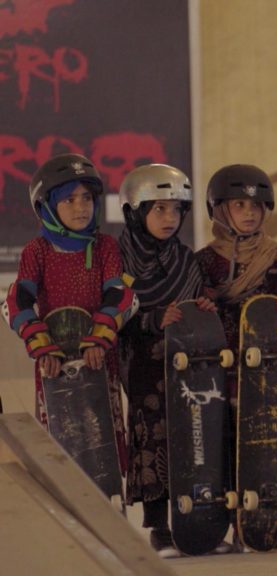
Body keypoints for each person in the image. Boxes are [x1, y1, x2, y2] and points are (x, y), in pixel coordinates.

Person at [195, 164, 277, 550]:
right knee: (226, 438)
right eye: (238, 204)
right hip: (222, 368)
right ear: (219, 211)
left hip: (269, 368)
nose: (249, 213)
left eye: (256, 205)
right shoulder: (203, 262)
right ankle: (230, 519)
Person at [3, 153, 136, 480]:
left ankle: (110, 508)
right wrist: (43, 347)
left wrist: (99, 339)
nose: (81, 208)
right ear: (46, 207)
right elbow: (17, 301)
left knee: (102, 442)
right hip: (54, 366)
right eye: (69, 200)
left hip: (98, 359)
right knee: (62, 449)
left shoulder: (104, 246)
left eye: (87, 198)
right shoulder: (37, 251)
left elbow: (120, 295)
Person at [116, 164, 226, 557]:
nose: (169, 218)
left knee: (196, 434)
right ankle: (159, 527)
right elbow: (113, 315)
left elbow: (197, 302)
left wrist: (203, 304)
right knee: (155, 436)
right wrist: (151, 318)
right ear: (134, 212)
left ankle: (198, 518)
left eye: (176, 210)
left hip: (188, 363)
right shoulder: (119, 258)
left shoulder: (185, 258)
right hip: (146, 366)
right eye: (159, 209)